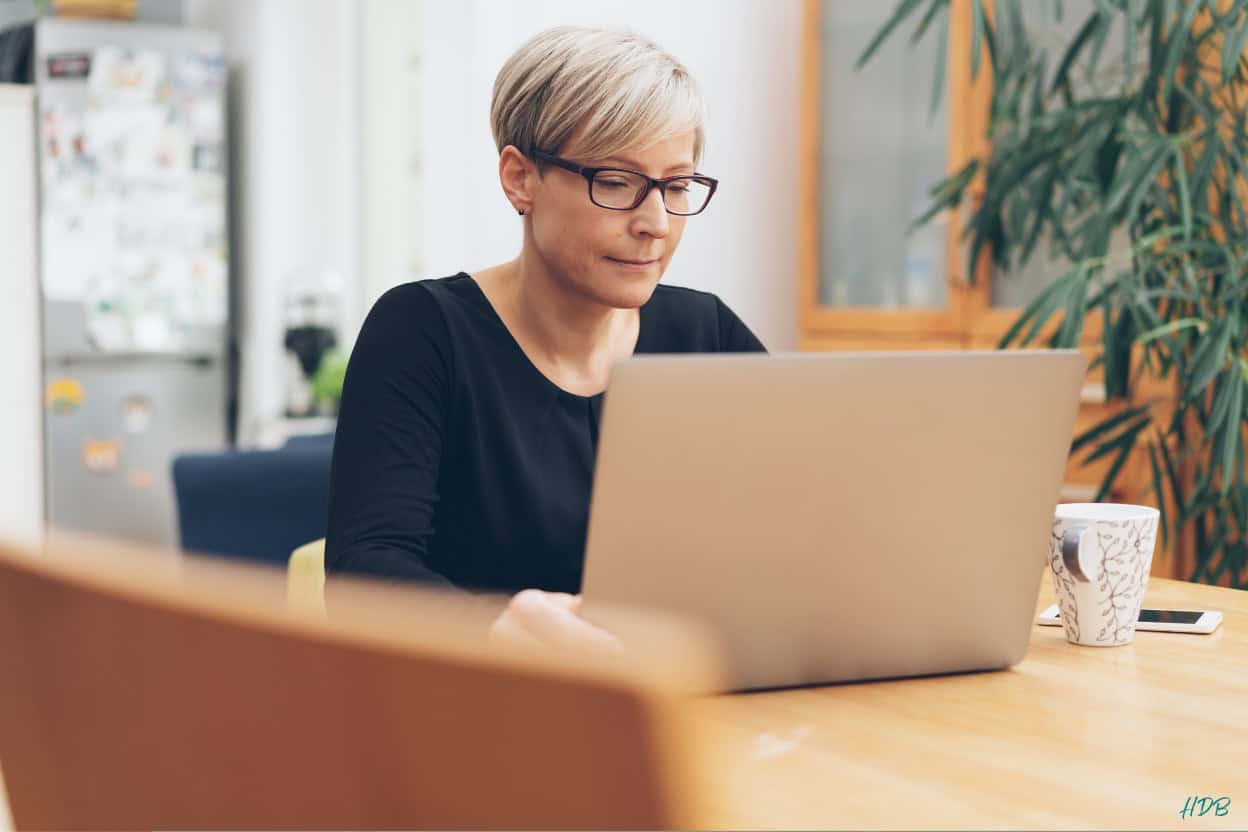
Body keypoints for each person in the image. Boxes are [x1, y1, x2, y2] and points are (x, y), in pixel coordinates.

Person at [325, 25, 766, 651]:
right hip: (482, 708)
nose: (656, 224)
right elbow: (361, 575)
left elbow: (800, 528)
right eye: (616, 182)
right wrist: (497, 626)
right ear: (520, 179)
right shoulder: (423, 331)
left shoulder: (707, 334)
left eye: (675, 186)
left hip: (673, 698)